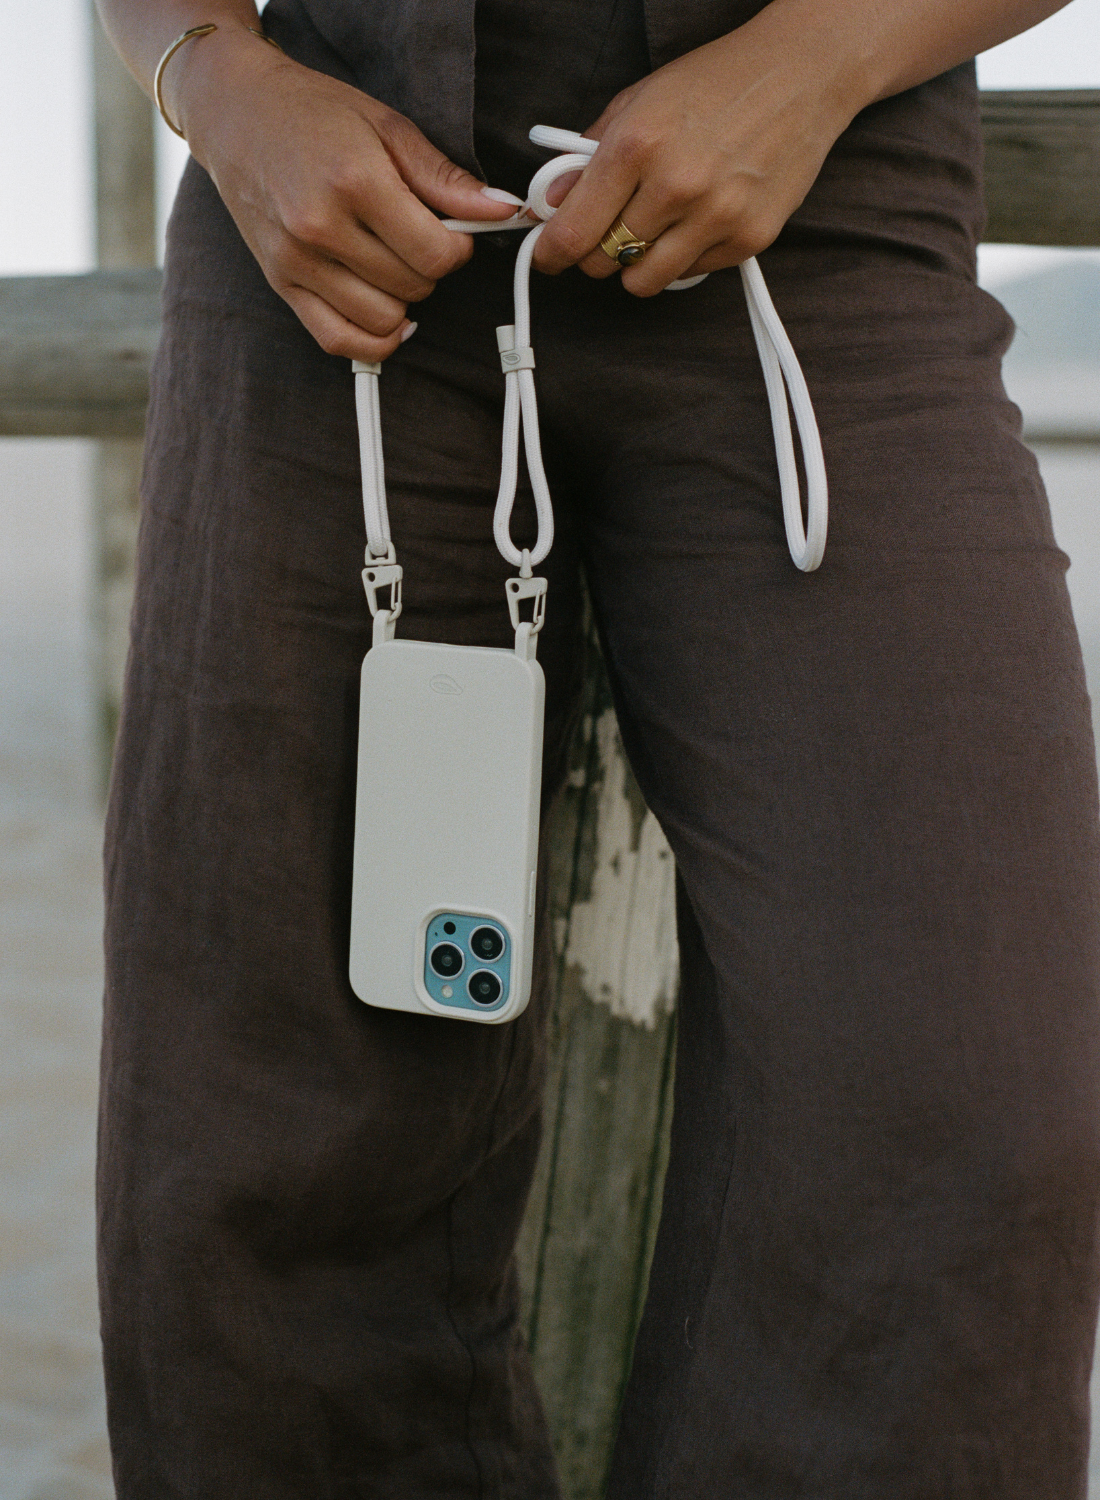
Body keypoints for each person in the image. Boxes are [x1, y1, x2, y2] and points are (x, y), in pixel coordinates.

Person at [94, 0, 1100, 1494]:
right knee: (263, 1137)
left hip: (822, 224)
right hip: (329, 223)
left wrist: (817, 59)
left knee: (962, 1084)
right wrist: (215, 77)